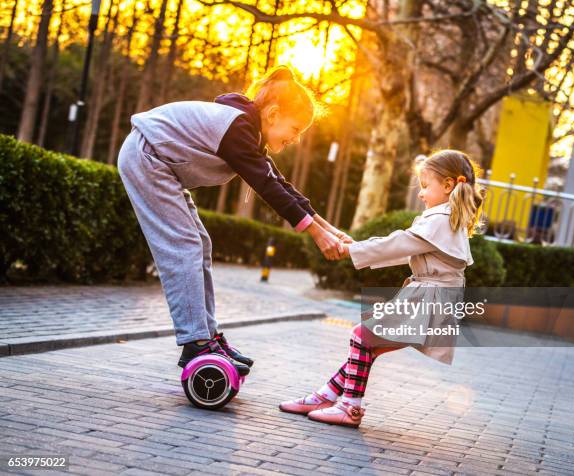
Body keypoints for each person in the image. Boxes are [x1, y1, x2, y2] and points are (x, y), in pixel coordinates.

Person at [117, 65, 351, 373]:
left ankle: (207, 335)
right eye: (295, 130)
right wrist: (316, 236)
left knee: (200, 244)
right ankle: (196, 343)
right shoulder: (238, 129)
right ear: (274, 114)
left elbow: (280, 184)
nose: (295, 140)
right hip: (148, 158)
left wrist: (329, 228)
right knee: (185, 246)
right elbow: (267, 187)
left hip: (162, 165)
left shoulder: (247, 131)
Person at [279, 150, 485, 427]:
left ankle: (349, 407)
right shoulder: (447, 220)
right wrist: (356, 249)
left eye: (426, 186)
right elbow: (404, 250)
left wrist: (351, 250)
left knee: (362, 337)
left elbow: (396, 244)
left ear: (448, 186)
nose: (421, 194)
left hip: (430, 297)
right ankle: (325, 396)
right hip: (434, 297)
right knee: (368, 346)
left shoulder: (440, 219)